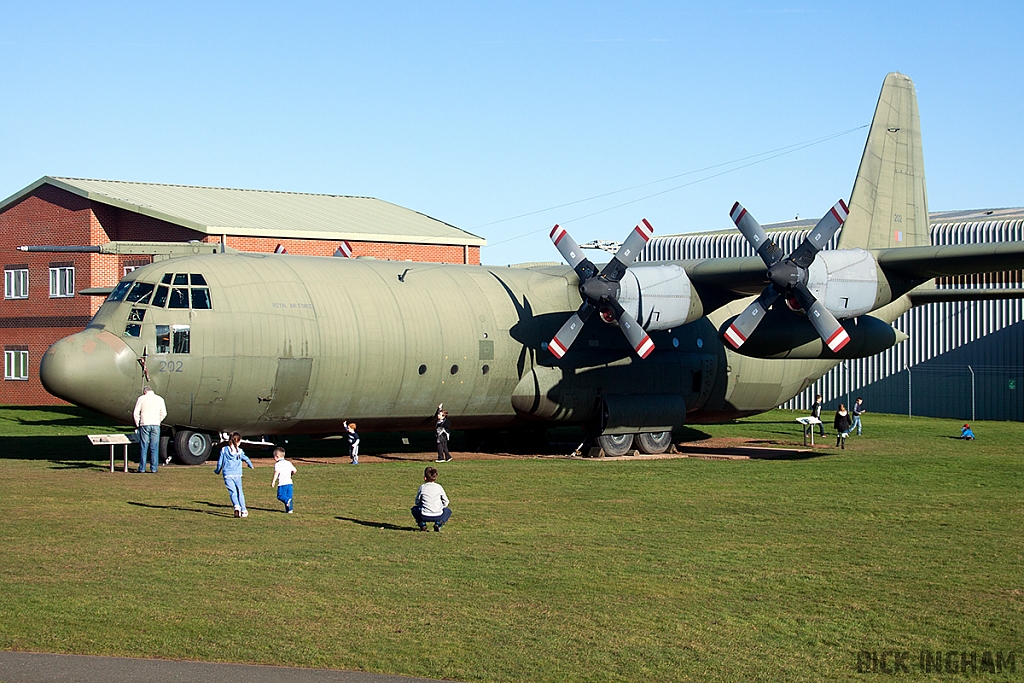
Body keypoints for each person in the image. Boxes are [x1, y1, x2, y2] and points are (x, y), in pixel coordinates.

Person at [214, 432, 254, 517]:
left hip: (227, 474)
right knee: (240, 492)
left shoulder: (224, 450)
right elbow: (246, 458)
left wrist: (217, 470)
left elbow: (220, 463)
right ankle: (244, 510)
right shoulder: (239, 451)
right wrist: (250, 464)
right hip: (237, 474)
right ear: (238, 441)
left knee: (232, 492)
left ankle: (236, 506)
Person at [132, 386, 167, 473]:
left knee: (144, 446)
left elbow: (136, 413)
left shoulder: (141, 399)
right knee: (154, 446)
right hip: (155, 424)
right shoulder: (159, 399)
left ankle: (142, 468)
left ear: (144, 392)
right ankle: (154, 468)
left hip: (145, 423)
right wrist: (158, 420)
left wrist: (138, 424)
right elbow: (164, 413)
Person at [411, 466, 452, 532]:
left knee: (414, 509)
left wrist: (422, 505)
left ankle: (422, 524)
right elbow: (446, 501)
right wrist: (441, 507)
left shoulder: (422, 487)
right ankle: (439, 524)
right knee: (448, 511)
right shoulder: (439, 487)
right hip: (438, 515)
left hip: (424, 515)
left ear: (425, 478)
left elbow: (417, 502)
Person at [270, 447, 297, 513]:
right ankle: (289, 510)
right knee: (289, 497)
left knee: (280, 496)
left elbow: (277, 472)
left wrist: (273, 481)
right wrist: (290, 475)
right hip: (289, 483)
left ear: (277, 456)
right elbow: (295, 470)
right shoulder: (288, 463)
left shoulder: (278, 464)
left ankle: (288, 503)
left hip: (282, 483)